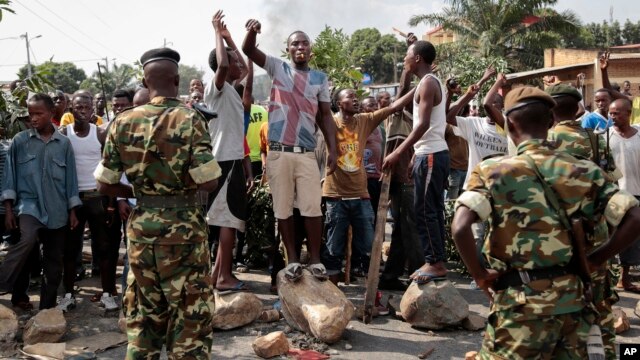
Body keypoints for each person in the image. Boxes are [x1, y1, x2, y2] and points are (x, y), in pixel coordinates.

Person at [452, 86, 640, 359]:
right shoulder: (586, 171)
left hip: (520, 306)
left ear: (511, 124)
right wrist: (597, 259)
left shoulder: (492, 171)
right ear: (551, 122)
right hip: (575, 305)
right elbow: (634, 217)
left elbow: (459, 228)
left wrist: (480, 275)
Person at [94, 48, 221, 359]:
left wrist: (136, 189)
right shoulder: (190, 119)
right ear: (176, 80)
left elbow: (103, 184)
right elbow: (209, 181)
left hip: (142, 230)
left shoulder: (122, 122)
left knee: (144, 314)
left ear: (145, 81)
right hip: (184, 234)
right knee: (189, 314)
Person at [242, 19, 337, 281]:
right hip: (278, 152)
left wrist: (333, 150)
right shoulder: (277, 67)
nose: (300, 46)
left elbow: (326, 116)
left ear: (311, 50)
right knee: (282, 210)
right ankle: (292, 260)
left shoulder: (319, 78)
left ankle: (316, 261)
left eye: (305, 43)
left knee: (312, 208)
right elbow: (248, 50)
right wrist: (251, 32)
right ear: (288, 49)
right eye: (295, 43)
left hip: (306, 152)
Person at [545, 83, 620, 359]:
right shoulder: (595, 140)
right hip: (595, 237)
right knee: (600, 307)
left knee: (557, 307)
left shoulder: (543, 142)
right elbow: (613, 189)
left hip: (555, 239)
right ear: (578, 109)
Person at [322, 88, 415, 284]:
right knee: (333, 251)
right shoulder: (329, 121)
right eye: (350, 97)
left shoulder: (364, 121)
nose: (355, 100)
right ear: (339, 103)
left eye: (357, 98)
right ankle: (332, 297)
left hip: (361, 196)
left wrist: (420, 84)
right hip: (335, 196)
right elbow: (313, 108)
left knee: (368, 248)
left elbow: (394, 107)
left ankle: (372, 297)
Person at [0, 93, 81, 310]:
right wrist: (8, 209)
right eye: (30, 113)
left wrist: (73, 210)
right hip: (28, 205)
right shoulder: (20, 141)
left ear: (51, 113)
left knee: (54, 262)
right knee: (26, 239)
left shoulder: (63, 144)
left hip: (58, 209)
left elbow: (71, 179)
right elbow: (10, 176)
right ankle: (2, 283)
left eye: (38, 113)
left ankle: (47, 308)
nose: (33, 118)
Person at [383, 40, 449, 284]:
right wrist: (413, 156)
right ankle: (435, 260)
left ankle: (435, 263)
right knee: (430, 210)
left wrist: (398, 152)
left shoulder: (429, 83)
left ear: (418, 58)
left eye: (407, 55)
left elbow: (422, 125)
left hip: (431, 153)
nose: (404, 60)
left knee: (425, 211)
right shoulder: (425, 82)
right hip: (427, 153)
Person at [203, 10, 251, 292]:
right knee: (227, 220)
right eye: (231, 57)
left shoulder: (231, 89)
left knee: (228, 220)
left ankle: (219, 274)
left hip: (230, 159)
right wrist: (215, 34)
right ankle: (224, 277)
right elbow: (223, 66)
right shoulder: (216, 87)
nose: (235, 62)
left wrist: (229, 37)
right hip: (224, 160)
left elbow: (242, 68)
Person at [58, 94, 119, 312]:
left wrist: (111, 202)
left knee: (105, 247)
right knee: (70, 248)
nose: (82, 111)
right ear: (71, 110)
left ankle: (107, 293)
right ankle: (67, 294)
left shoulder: (101, 133)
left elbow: (112, 169)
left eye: (86, 106)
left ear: (93, 109)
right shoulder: (64, 135)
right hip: (74, 199)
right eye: (78, 107)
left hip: (97, 197)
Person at [605, 99, 640, 295]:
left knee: (632, 239)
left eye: (617, 113)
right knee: (610, 236)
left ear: (628, 113)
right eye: (611, 113)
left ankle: (624, 279)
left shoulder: (639, 134)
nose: (612, 116)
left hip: (637, 192)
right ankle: (608, 281)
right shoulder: (604, 137)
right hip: (614, 194)